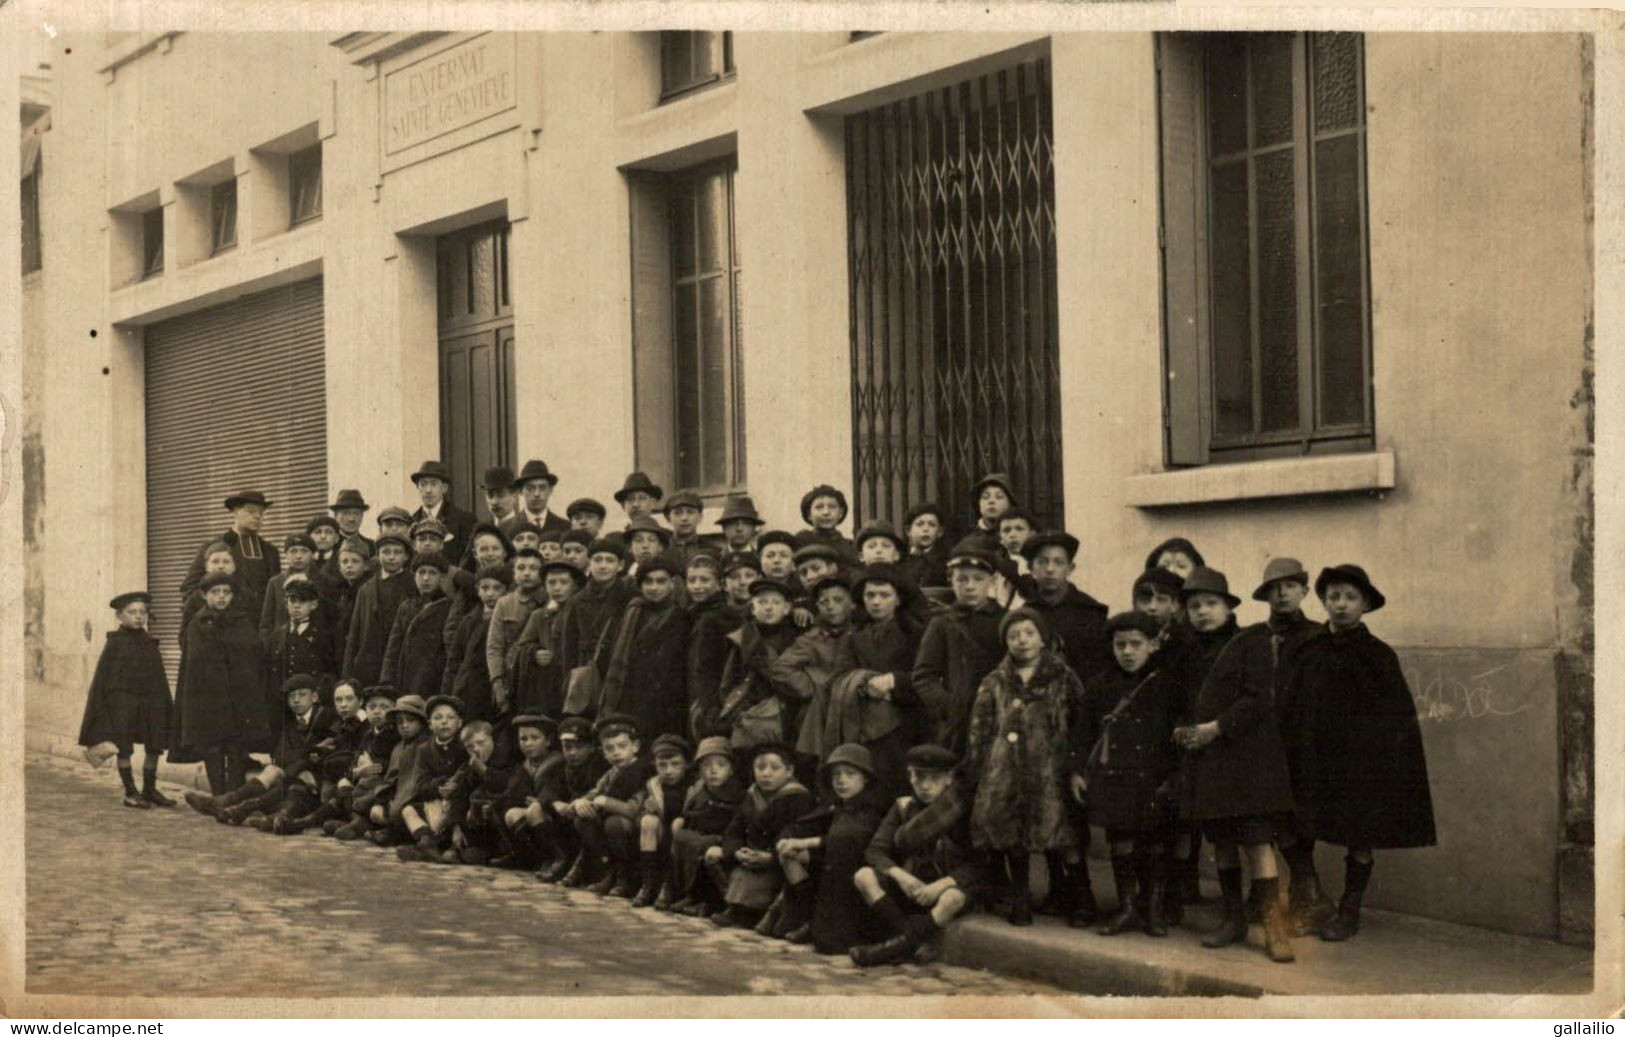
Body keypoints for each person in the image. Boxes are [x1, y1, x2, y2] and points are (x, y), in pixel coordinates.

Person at [1280, 565, 1436, 943]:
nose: (1341, 605)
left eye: (1350, 597)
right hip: (1313, 759)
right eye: (1334, 597)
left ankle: (1349, 911)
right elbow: (1291, 703)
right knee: (1298, 829)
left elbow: (1396, 717)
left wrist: (1379, 760)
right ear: (1323, 601)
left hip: (1359, 764)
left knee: (1360, 835)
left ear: (1365, 605)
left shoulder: (1378, 656)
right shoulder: (1308, 649)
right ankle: (1310, 899)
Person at [1174, 566, 1297, 961]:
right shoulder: (1186, 651)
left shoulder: (1251, 642)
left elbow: (1259, 699)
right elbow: (1180, 701)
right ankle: (1233, 920)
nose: (1203, 612)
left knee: (1258, 842)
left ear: (1229, 608)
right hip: (1208, 763)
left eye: (1211, 604)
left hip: (1248, 761)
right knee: (1223, 842)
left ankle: (1273, 926)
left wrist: (1216, 727)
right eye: (1194, 606)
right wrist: (1182, 730)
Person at [963, 608, 1082, 926]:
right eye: (1014, 635)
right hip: (1006, 771)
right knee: (1012, 836)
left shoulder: (1063, 677)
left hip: (1050, 771)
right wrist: (978, 766)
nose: (1022, 640)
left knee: (1059, 834)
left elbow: (1080, 722)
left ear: (1042, 638)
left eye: (1029, 633)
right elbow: (980, 726)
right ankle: (1020, 899)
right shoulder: (995, 681)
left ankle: (1073, 897)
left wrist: (1074, 764)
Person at [1072, 611, 1183, 938]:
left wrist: (1177, 776)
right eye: (1121, 645)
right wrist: (1076, 771)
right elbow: (1082, 734)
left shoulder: (1167, 684)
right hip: (1115, 779)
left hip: (1154, 778)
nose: (1128, 652)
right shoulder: (1099, 686)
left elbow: (1180, 732)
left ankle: (1153, 910)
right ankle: (1127, 907)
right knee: (1121, 841)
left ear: (1152, 645)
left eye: (1136, 644)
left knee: (1155, 843)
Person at [1245, 556, 1331, 930]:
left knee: (1299, 818)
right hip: (1265, 742)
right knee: (1268, 817)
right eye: (1273, 589)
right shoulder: (1256, 637)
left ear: (1304, 591)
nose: (1281, 595)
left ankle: (1307, 896)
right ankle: (1268, 896)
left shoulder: (1317, 637)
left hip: (1304, 743)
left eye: (1290, 587)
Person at [849, 744, 982, 967]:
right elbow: (875, 850)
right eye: (919, 777)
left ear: (949, 778)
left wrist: (939, 886)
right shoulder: (903, 807)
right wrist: (902, 876)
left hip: (948, 886)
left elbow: (979, 864)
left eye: (934, 778)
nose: (925, 786)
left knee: (953, 898)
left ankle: (889, 949)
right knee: (863, 876)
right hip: (914, 885)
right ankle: (911, 942)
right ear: (910, 777)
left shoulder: (963, 810)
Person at [804, 565, 928, 799]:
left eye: (884, 595)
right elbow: (839, 676)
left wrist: (893, 683)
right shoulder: (855, 636)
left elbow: (927, 678)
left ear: (898, 599)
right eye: (870, 595)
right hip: (861, 722)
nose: (876, 602)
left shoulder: (916, 633)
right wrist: (863, 683)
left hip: (904, 724)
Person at [776, 743, 890, 951]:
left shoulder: (871, 809)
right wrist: (788, 839)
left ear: (865, 777)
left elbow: (847, 839)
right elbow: (803, 825)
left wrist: (805, 843)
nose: (841, 780)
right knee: (790, 855)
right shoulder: (837, 806)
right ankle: (808, 918)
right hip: (831, 867)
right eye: (836, 774)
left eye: (850, 773)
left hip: (854, 878)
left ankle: (822, 925)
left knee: (831, 943)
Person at [186, 673, 336, 828]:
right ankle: (225, 801)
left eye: (302, 695)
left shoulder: (327, 717)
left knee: (289, 775)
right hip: (297, 773)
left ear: (315, 697)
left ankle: (236, 806)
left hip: (318, 780)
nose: (296, 700)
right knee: (273, 769)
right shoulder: (291, 721)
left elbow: (326, 754)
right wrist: (307, 755)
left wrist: (304, 759)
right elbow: (280, 757)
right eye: (291, 696)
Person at [78, 591, 175, 810]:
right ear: (120, 617)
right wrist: (108, 708)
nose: (139, 616)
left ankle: (149, 789)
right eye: (132, 612)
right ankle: (131, 792)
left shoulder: (150, 643)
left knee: (154, 743)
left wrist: (163, 704)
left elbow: (158, 677)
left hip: (150, 703)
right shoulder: (115, 643)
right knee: (124, 746)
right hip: (123, 703)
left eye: (143, 612)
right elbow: (104, 679)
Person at [707, 741, 817, 930]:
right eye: (760, 767)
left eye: (775, 768)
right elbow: (734, 830)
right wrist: (737, 852)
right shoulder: (751, 795)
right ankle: (737, 908)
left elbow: (795, 836)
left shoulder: (799, 799)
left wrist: (770, 857)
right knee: (714, 854)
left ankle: (760, 911)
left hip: (777, 861)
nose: (766, 774)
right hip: (751, 857)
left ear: (789, 771)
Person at [175, 572, 268, 794]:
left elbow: (252, 653)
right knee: (213, 747)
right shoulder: (196, 624)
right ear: (204, 595)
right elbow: (194, 663)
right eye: (215, 592)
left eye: (226, 592)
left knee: (236, 746)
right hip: (210, 699)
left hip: (239, 697)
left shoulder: (242, 620)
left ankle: (234, 794)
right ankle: (218, 794)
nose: (221, 597)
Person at [912, 537, 1006, 755]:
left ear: (991, 582)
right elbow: (923, 675)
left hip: (999, 719)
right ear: (951, 581)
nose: (970, 586)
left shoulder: (1005, 621)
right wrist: (949, 706)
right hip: (958, 725)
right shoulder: (942, 624)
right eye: (962, 579)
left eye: (978, 579)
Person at [599, 557, 693, 741]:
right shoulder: (631, 612)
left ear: (672, 584)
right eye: (648, 581)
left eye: (661, 581)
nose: (654, 587)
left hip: (666, 703)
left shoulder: (682, 618)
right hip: (629, 698)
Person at [562, 714, 653, 895]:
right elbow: (594, 793)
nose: (616, 752)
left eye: (622, 746)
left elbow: (635, 809)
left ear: (635, 747)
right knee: (583, 818)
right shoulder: (611, 773)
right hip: (617, 830)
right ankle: (611, 872)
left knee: (614, 823)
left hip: (637, 828)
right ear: (603, 752)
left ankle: (626, 877)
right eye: (609, 748)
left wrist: (605, 801)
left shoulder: (642, 771)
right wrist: (580, 802)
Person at [768, 575, 856, 757]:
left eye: (838, 600)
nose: (830, 606)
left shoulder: (861, 633)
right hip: (822, 713)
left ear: (852, 604)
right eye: (824, 602)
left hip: (855, 708)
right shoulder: (813, 639)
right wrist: (812, 689)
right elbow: (781, 669)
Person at [710, 578, 802, 748]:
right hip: (752, 716)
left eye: (776, 602)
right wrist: (740, 713)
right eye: (762, 602)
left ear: (787, 608)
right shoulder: (742, 640)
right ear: (752, 608)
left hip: (790, 714)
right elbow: (728, 683)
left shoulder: (797, 639)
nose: (768, 607)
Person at [331, 691, 425, 842]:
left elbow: (396, 778)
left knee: (371, 805)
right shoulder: (375, 737)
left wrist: (373, 772)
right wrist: (355, 773)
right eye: (400, 721)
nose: (404, 725)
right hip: (381, 787)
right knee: (343, 789)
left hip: (400, 793)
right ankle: (356, 822)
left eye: (410, 720)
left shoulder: (408, 742)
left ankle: (364, 825)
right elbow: (356, 760)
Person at [667, 736, 745, 917]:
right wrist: (682, 820)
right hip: (702, 836)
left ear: (731, 770)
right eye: (706, 766)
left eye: (720, 765)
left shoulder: (736, 794)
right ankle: (688, 893)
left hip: (724, 839)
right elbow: (692, 814)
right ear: (700, 770)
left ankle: (708, 900)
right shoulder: (700, 791)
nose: (713, 771)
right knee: (682, 837)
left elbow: (736, 824)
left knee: (702, 845)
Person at [1022, 530, 1111, 685]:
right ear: (1031, 567)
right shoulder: (1025, 614)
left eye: (1058, 562)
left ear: (1070, 568)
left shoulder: (1091, 612)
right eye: (1042, 562)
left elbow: (1102, 668)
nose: (1050, 569)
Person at [180, 490, 282, 623]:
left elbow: (276, 592)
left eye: (261, 513)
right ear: (235, 512)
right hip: (224, 626)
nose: (257, 516)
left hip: (259, 628)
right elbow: (190, 588)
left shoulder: (270, 551)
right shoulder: (214, 547)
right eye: (251, 511)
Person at [390, 694, 470, 858]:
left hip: (458, 803)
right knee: (408, 810)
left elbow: (469, 778)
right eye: (438, 718)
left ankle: (437, 847)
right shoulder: (424, 750)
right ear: (430, 724)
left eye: (450, 718)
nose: (444, 722)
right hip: (435, 801)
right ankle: (426, 842)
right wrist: (439, 787)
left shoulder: (465, 748)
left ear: (460, 723)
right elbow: (420, 785)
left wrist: (456, 787)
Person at [319, 685, 401, 836]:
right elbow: (356, 758)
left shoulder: (396, 735)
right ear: (366, 709)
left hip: (387, 785)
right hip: (367, 781)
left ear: (394, 709)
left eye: (384, 707)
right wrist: (354, 772)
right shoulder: (369, 734)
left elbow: (394, 765)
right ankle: (351, 821)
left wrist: (375, 767)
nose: (377, 711)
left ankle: (358, 824)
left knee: (366, 794)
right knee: (344, 785)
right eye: (372, 707)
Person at [554, 537, 636, 688]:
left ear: (621, 565)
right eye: (597, 560)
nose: (603, 566)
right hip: (587, 672)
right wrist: (569, 684)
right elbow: (568, 647)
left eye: (609, 560)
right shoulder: (576, 601)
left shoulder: (631, 598)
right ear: (589, 563)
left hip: (621, 672)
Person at [536, 716, 609, 882]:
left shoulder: (599, 766)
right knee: (536, 809)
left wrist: (580, 802)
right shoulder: (561, 766)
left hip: (592, 819)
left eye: (579, 747)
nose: (573, 753)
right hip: (568, 818)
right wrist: (556, 803)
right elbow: (546, 788)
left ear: (591, 747)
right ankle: (560, 859)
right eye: (567, 747)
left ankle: (581, 867)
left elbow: (601, 791)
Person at [511, 558, 586, 717]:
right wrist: (534, 652)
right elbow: (521, 647)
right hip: (548, 686)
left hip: (577, 683)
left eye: (563, 582)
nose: (557, 588)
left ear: (574, 585)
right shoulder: (540, 616)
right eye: (551, 583)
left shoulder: (583, 613)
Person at [495, 713, 570, 871]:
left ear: (548, 741)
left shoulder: (557, 763)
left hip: (557, 814)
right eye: (523, 739)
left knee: (533, 811)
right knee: (510, 812)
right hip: (536, 812)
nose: (528, 743)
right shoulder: (526, 766)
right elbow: (514, 792)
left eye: (535, 738)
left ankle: (556, 857)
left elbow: (554, 790)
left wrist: (541, 801)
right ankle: (526, 856)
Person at [264, 579, 337, 732]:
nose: (296, 605)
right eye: (292, 600)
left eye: (303, 601)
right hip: (283, 706)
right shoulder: (277, 636)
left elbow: (330, 672)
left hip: (313, 705)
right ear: (286, 603)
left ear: (313, 605)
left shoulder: (324, 636)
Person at [632, 733, 695, 907]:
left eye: (675, 764)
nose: (669, 771)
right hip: (659, 838)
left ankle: (669, 885)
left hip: (680, 841)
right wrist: (647, 810)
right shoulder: (653, 785)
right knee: (648, 821)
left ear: (687, 764)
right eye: (662, 765)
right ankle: (648, 884)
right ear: (655, 765)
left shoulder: (695, 786)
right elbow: (637, 817)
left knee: (678, 824)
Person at [342, 533, 411, 687]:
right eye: (386, 552)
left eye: (397, 552)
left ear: (406, 556)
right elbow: (354, 634)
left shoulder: (414, 585)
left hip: (401, 665)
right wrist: (347, 676)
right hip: (369, 668)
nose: (391, 557)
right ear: (378, 555)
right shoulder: (366, 589)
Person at [443, 563, 512, 718]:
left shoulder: (510, 619)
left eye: (497, 588)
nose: (490, 593)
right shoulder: (468, 621)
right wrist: (447, 695)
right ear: (477, 590)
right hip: (468, 689)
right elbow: (454, 660)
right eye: (485, 588)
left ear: (507, 590)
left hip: (494, 691)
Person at [486, 547, 547, 714]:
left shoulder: (550, 600)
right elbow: (494, 647)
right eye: (521, 568)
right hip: (513, 678)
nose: (526, 573)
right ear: (513, 572)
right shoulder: (504, 603)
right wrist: (497, 683)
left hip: (543, 679)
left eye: (533, 568)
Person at [380, 552, 451, 694]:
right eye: (421, 572)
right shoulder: (406, 606)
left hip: (434, 680)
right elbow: (393, 648)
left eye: (432, 573)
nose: (426, 578)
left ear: (442, 577)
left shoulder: (448, 607)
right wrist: (387, 681)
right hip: (406, 679)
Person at [440, 523, 515, 655]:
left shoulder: (514, 581)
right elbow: (451, 628)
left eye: (495, 549)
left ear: (504, 553)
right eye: (484, 549)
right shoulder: (466, 586)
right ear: (475, 553)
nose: (490, 554)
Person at [408, 461, 478, 563]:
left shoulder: (463, 519)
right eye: (423, 484)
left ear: (444, 488)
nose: (428, 490)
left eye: (434, 484)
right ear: (418, 488)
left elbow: (469, 560)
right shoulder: (411, 521)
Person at [259, 533, 320, 642]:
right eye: (293, 551)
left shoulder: (323, 581)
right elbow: (266, 624)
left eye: (304, 551)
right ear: (286, 554)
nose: (298, 556)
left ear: (312, 554)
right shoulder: (275, 582)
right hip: (283, 647)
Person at [501, 459, 569, 539]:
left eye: (542, 488)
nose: (537, 494)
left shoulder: (565, 527)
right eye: (530, 488)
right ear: (520, 491)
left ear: (550, 491)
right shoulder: (505, 528)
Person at [794, 484, 857, 565]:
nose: (826, 512)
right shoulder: (800, 541)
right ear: (809, 514)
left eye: (832, 507)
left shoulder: (850, 547)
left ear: (840, 513)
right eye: (819, 507)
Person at [659, 490, 716, 573]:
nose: (684, 518)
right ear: (668, 518)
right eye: (678, 513)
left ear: (700, 517)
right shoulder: (661, 550)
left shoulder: (712, 551)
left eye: (690, 512)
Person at [899, 502, 951, 591]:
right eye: (920, 524)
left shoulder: (946, 561)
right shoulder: (900, 560)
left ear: (940, 532)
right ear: (908, 531)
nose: (926, 529)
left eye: (932, 525)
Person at [330, 489, 373, 554]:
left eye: (356, 513)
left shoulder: (371, 546)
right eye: (346, 513)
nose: (351, 519)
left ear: (362, 516)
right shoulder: (329, 544)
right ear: (336, 516)